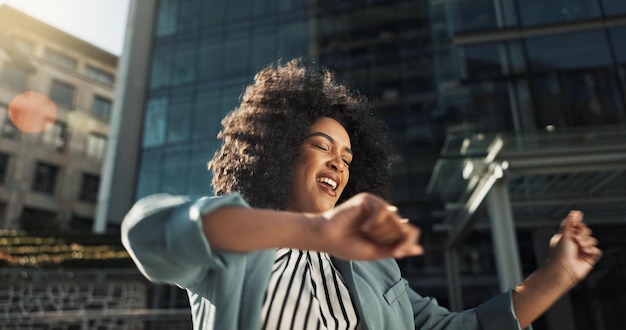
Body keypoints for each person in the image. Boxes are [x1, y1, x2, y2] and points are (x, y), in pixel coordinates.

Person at [121, 59, 602, 330]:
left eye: (348, 158)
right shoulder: (236, 240)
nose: (338, 163)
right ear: (280, 151)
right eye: (321, 146)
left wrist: (557, 275)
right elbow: (148, 232)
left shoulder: (375, 268)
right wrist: (315, 230)